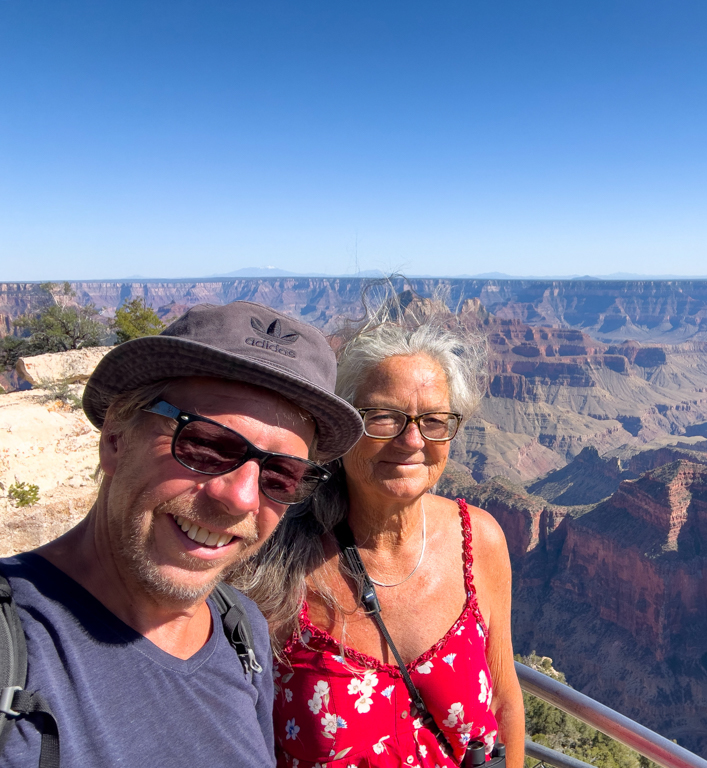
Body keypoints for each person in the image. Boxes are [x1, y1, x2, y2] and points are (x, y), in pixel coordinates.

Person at [0, 301, 363, 767]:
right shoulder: (18, 647)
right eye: (207, 445)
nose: (243, 498)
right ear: (115, 438)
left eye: (282, 475)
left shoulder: (242, 632)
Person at [239, 289, 525, 768]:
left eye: (433, 420)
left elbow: (504, 703)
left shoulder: (480, 541)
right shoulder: (275, 563)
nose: (411, 440)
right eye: (383, 417)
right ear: (344, 425)